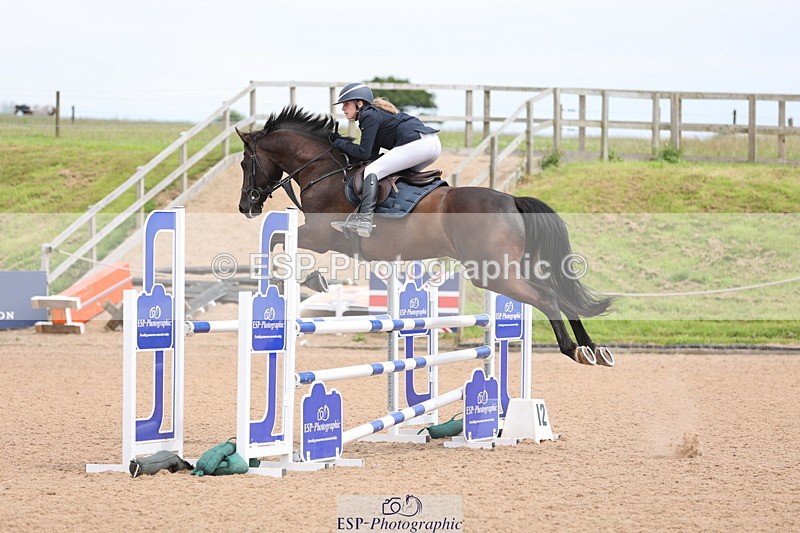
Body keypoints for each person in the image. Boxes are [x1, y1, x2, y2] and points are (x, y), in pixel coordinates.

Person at [330, 82, 441, 237]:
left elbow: (363, 152)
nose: (343, 109)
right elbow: (371, 155)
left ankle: (364, 220)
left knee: (372, 171)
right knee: (389, 175)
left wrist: (340, 143)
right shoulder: (376, 114)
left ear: (359, 103)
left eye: (346, 104)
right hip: (432, 144)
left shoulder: (368, 115)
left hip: (418, 144)